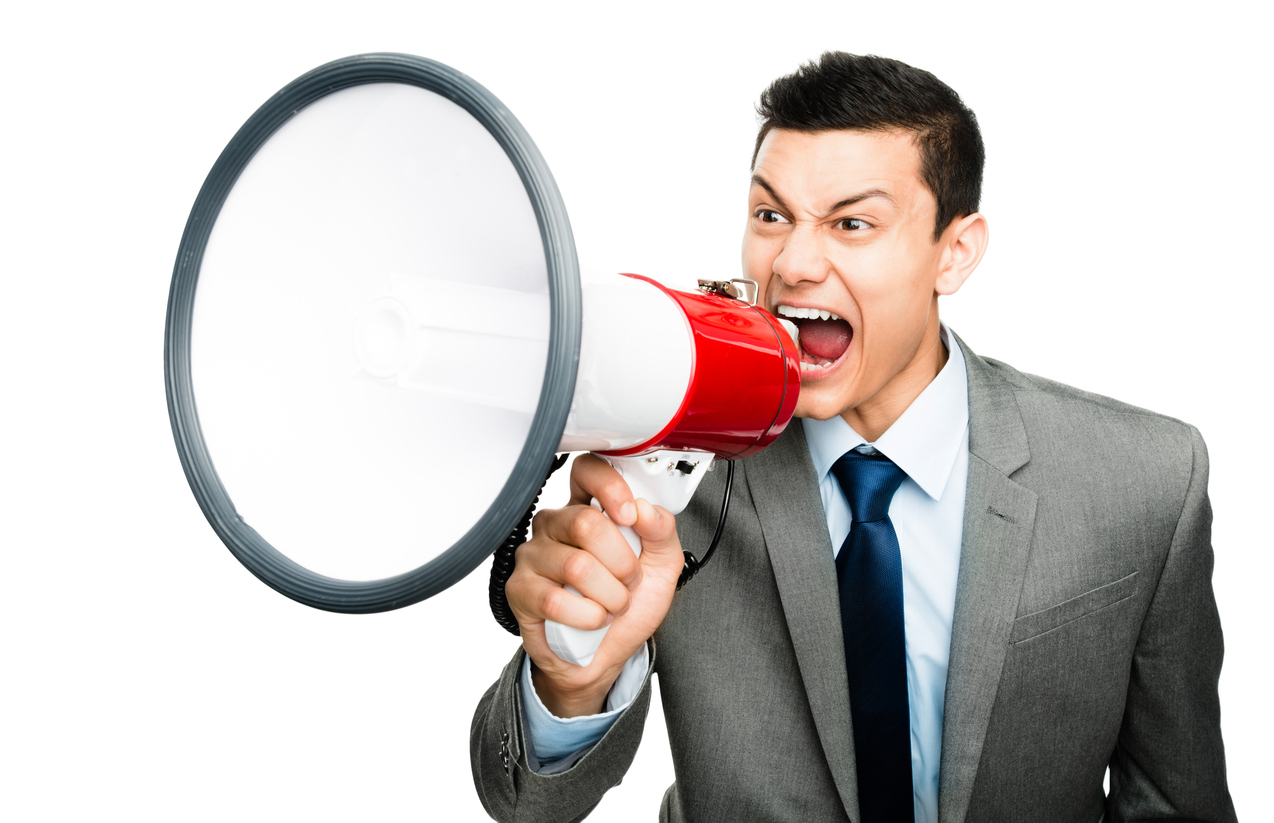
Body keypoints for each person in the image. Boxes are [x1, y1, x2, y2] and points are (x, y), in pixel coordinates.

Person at [470, 52, 1235, 823]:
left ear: (955, 251)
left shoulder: (1145, 480)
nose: (794, 264)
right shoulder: (675, 460)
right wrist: (572, 679)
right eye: (771, 216)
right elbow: (525, 801)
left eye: (852, 222)